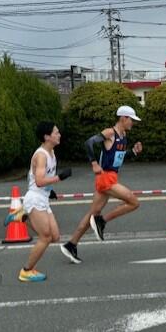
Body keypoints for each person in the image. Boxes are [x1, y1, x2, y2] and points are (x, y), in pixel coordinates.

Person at [60, 105, 142, 262]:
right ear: (123, 118)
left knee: (92, 213)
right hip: (105, 178)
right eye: (131, 119)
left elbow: (118, 157)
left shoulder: (123, 136)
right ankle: (102, 221)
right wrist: (94, 163)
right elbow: (88, 143)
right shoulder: (110, 133)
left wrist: (133, 152)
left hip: (111, 177)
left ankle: (71, 244)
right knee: (134, 202)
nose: (133, 123)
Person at [6, 121, 71, 282]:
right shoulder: (41, 155)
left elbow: (43, 179)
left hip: (42, 198)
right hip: (35, 198)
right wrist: (59, 177)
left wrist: (50, 191)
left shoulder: (52, 152)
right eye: (56, 132)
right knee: (45, 237)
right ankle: (26, 271)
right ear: (47, 136)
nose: (59, 134)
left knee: (55, 236)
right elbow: (40, 181)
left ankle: (22, 216)